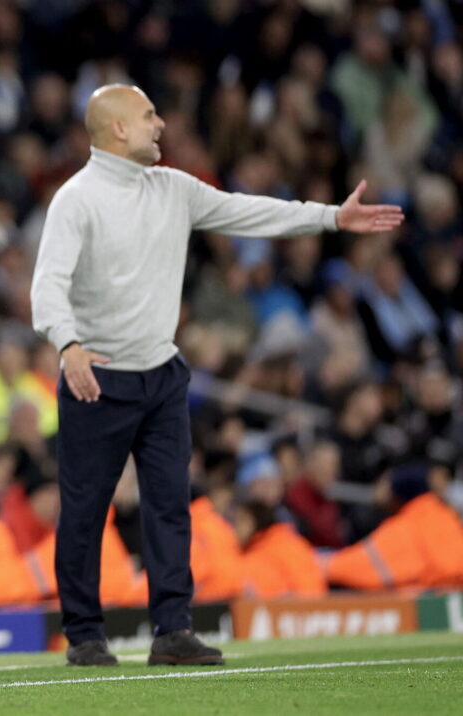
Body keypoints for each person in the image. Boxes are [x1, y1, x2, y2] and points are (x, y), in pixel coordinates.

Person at [31, 84, 404, 667]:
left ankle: (173, 630)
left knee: (171, 505)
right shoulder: (75, 199)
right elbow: (47, 283)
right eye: (150, 114)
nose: (161, 125)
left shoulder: (174, 188)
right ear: (119, 129)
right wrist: (68, 344)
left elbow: (248, 211)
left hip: (161, 374)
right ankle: (84, 636)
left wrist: (332, 217)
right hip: (96, 378)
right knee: (85, 510)